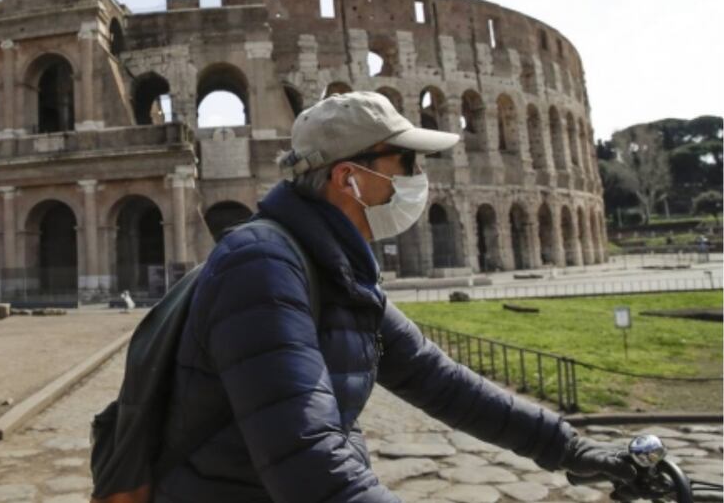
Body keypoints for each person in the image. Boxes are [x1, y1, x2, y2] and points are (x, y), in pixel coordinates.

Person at [154, 91, 635, 502]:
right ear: (349, 178)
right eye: (404, 161)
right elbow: (305, 453)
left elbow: (436, 378)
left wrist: (567, 447)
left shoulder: (332, 265)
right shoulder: (263, 267)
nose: (416, 174)